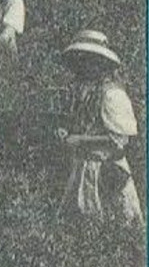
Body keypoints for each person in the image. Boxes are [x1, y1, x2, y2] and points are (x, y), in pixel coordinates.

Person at [57, 30, 142, 225]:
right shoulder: (80, 91)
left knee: (115, 224)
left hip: (107, 170)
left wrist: (80, 140)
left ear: (102, 64)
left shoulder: (112, 95)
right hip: (82, 169)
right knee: (78, 226)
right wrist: (67, 132)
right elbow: (83, 121)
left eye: (91, 60)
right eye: (81, 60)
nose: (85, 66)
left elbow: (119, 140)